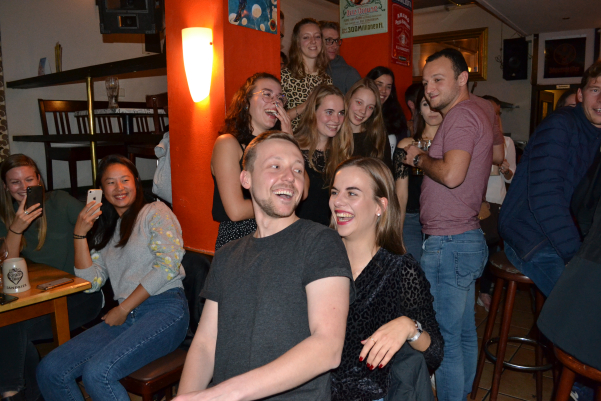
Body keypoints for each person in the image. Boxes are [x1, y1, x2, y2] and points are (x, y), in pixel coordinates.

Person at [174, 132, 354, 400]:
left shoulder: (320, 241)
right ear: (245, 179)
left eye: (297, 169)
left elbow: (328, 347)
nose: (289, 177)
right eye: (275, 165)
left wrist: (223, 394)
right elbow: (205, 343)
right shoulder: (227, 254)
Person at [36, 155, 189, 401]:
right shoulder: (106, 229)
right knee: (50, 369)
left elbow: (167, 267)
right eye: (110, 182)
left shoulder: (155, 212)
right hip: (126, 316)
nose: (119, 188)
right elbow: (91, 282)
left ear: (136, 182)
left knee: (98, 374)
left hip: (165, 309)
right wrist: (79, 235)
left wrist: (124, 308)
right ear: (100, 189)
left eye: (125, 180)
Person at [403, 48, 493, 401]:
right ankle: (464, 393)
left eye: (438, 79)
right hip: (463, 238)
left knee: (446, 340)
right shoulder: (475, 112)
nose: (429, 89)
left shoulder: (461, 115)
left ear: (462, 78)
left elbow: (452, 175)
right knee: (464, 332)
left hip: (450, 241)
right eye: (426, 82)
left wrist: (418, 157)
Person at [329, 157, 443, 401]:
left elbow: (434, 354)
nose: (338, 201)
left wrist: (408, 327)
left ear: (379, 206)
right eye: (335, 192)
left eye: (352, 193)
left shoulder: (400, 269)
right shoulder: (319, 260)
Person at [0, 154, 102, 401]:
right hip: (41, 297)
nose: (23, 187)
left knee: (11, 329)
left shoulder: (59, 202)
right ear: (5, 186)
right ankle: (23, 394)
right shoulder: (7, 215)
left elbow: (98, 224)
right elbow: (9, 269)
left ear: (39, 180)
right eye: (15, 182)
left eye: (29, 180)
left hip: (80, 295)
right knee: (10, 328)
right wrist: (16, 228)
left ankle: (16, 394)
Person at [499, 60, 601, 297]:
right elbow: (545, 198)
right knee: (582, 302)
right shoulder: (560, 125)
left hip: (564, 232)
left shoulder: (595, 136)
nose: (600, 100)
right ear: (580, 95)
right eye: (595, 90)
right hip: (529, 232)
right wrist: (575, 255)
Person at [211, 73, 291, 250]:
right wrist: (280, 203)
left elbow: (303, 190)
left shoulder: (278, 145)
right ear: (246, 101)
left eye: (280, 97)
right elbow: (236, 211)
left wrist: (289, 142)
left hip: (278, 234)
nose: (276, 102)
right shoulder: (228, 143)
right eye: (267, 94)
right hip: (240, 239)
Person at [393, 86, 442, 261]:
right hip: (412, 217)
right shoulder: (407, 145)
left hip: (443, 219)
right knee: (413, 269)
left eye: (435, 104)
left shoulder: (453, 148)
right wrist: (396, 233)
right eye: (426, 104)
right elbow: (400, 194)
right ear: (419, 109)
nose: (432, 110)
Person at [477, 95, 516, 311]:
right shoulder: (472, 137)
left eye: (498, 113)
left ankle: (484, 291)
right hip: (476, 201)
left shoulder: (506, 142)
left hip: (496, 200)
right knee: (475, 248)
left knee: (491, 247)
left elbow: (511, 178)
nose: (496, 117)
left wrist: (505, 169)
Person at [295, 84, 352, 225]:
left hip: (329, 233)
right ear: (313, 112)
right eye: (329, 112)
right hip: (296, 232)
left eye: (341, 113)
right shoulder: (293, 147)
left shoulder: (343, 152)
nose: (336, 120)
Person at [282, 18, 333, 130]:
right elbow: (277, 119)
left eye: (317, 36)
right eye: (306, 37)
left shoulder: (326, 79)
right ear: (297, 43)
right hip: (294, 138)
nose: (313, 41)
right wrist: (305, 105)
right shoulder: (285, 76)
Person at [345, 78, 393, 170]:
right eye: (359, 102)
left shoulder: (377, 136)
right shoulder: (333, 133)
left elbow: (386, 173)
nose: (363, 111)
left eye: (370, 107)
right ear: (349, 99)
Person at [366, 66, 409, 155]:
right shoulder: (361, 113)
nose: (384, 91)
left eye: (388, 87)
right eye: (379, 85)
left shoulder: (396, 115)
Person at [319, 21, 361, 94]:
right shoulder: (308, 70)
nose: (335, 46)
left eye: (336, 41)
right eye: (328, 40)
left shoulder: (349, 74)